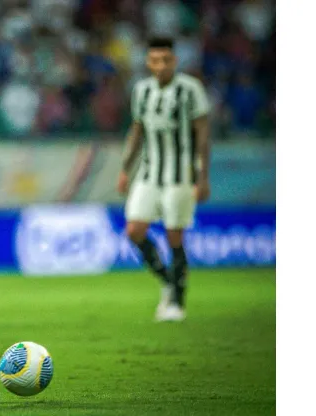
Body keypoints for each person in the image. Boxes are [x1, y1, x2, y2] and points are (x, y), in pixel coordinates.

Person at [117, 37, 211, 322]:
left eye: (166, 60)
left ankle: (177, 302)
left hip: (180, 173)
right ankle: (169, 281)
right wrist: (125, 169)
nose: (161, 66)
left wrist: (203, 175)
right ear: (148, 62)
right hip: (148, 171)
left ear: (175, 60)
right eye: (155, 60)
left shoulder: (190, 89)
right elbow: (136, 132)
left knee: (174, 234)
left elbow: (203, 134)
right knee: (134, 230)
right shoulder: (142, 90)